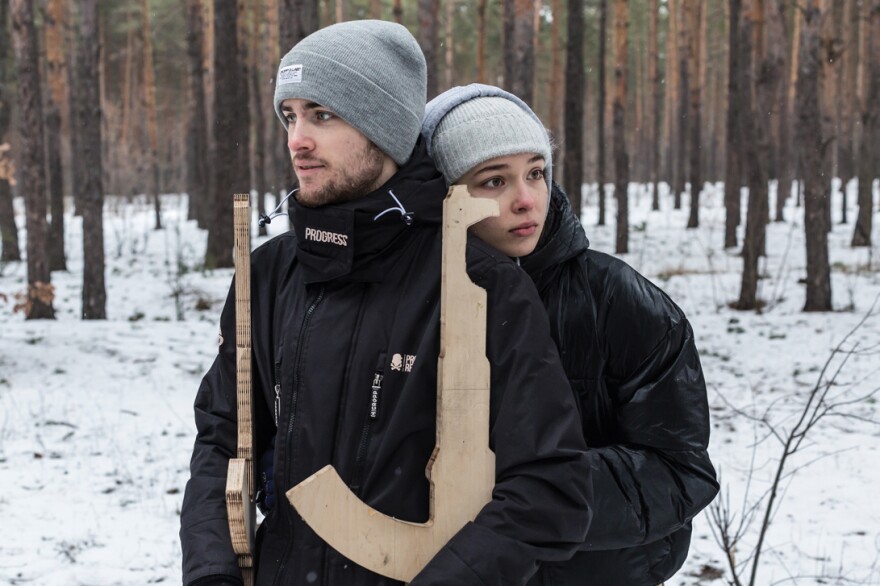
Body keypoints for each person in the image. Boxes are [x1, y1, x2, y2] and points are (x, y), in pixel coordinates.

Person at [180, 22, 593, 586]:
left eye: (323, 115)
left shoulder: (476, 283)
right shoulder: (270, 274)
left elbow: (549, 487)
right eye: (291, 116)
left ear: (386, 127)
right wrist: (212, 573)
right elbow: (222, 439)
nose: (298, 140)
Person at [422, 84, 719, 586]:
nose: (525, 200)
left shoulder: (617, 300)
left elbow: (680, 471)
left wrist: (534, 498)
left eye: (536, 173)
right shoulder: (409, 306)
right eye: (493, 180)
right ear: (444, 196)